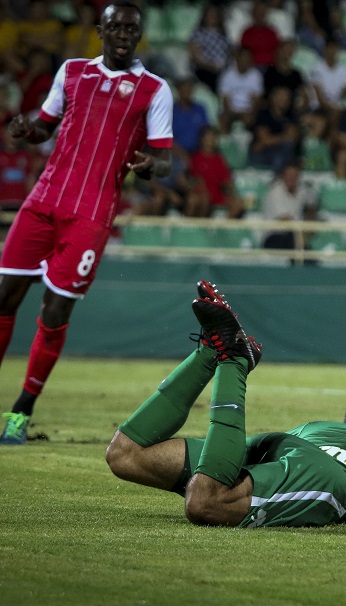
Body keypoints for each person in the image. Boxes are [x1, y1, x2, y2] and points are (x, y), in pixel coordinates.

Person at [105, 281, 346, 528]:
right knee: (207, 502)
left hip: (286, 444)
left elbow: (286, 457)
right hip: (335, 483)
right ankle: (235, 360)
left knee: (125, 457)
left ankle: (210, 353)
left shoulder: (323, 428)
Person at [0, 1, 173, 446]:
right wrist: (26, 128)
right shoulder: (72, 71)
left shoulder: (154, 89)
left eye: (130, 28)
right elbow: (45, 126)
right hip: (42, 202)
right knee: (4, 297)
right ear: (100, 30)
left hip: (91, 216)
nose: (121, 34)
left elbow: (165, 161)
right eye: (114, 26)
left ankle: (21, 411)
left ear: (138, 34)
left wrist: (151, 165)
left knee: (55, 312)